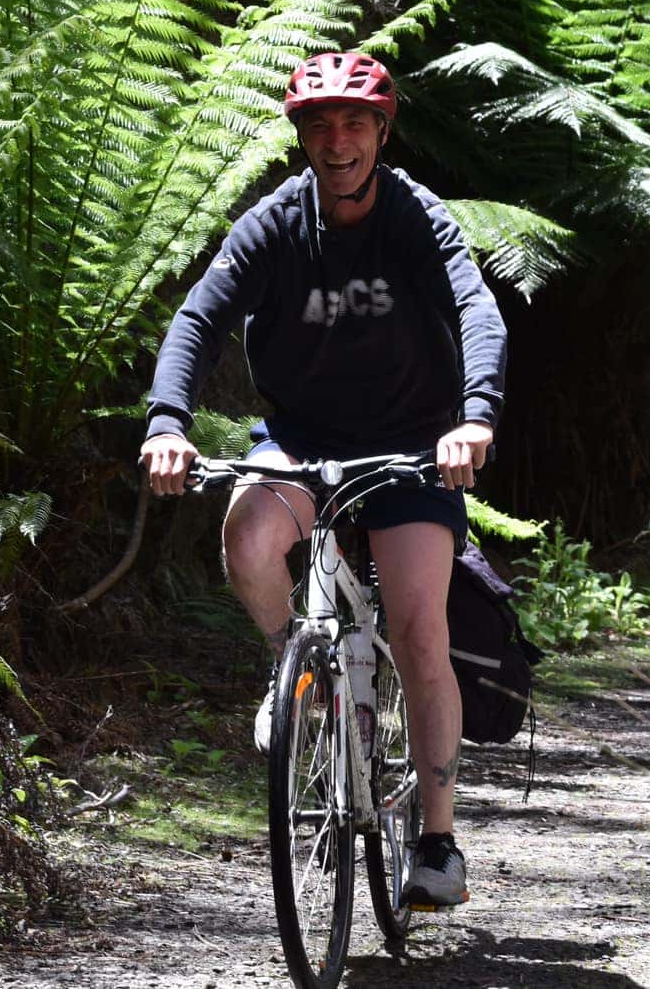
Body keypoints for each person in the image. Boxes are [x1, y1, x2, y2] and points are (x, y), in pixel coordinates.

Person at [140, 51, 507, 910]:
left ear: (382, 132)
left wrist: (474, 415)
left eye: (353, 124)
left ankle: (440, 841)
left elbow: (474, 306)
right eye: (317, 125)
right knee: (248, 534)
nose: (336, 141)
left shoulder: (417, 216)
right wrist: (167, 424)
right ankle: (294, 675)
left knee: (419, 631)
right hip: (302, 438)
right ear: (300, 136)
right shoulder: (274, 223)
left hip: (413, 447)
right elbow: (199, 316)